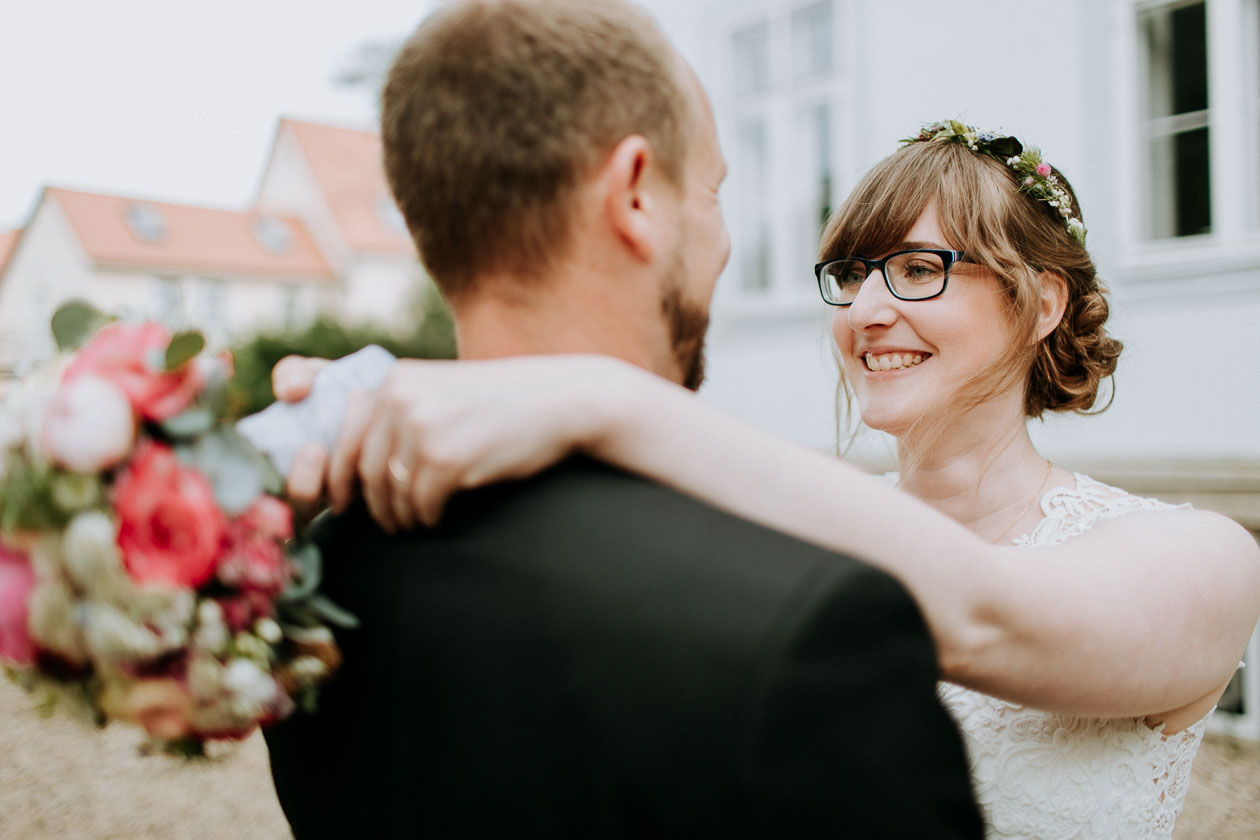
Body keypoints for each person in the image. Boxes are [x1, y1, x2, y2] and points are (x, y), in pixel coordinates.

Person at [278, 116, 1260, 838]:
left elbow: (986, 614)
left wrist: (604, 400)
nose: (868, 309)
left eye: (918, 268)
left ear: (1041, 301)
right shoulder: (785, 527)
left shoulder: (1201, 558)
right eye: (853, 272)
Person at [262, 1, 984, 837]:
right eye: (711, 192)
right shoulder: (806, 624)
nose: (721, 243)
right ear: (635, 193)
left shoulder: (309, 580)